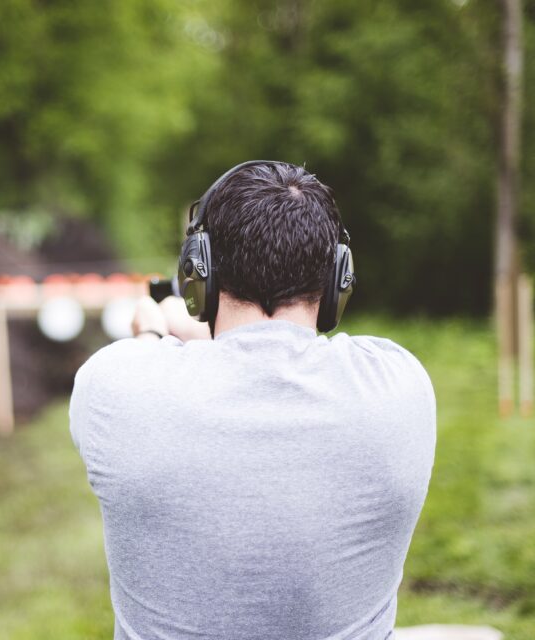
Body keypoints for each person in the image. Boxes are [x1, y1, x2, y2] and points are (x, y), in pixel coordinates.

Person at [69, 161, 436, 640]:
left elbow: (191, 358)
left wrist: (159, 327)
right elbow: (270, 349)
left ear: (198, 274)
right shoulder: (400, 385)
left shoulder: (112, 386)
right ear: (335, 282)